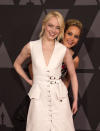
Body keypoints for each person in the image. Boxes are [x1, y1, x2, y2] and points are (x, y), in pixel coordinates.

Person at [14, 11, 78, 131]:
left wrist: (75, 100)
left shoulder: (63, 50)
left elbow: (73, 76)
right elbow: (17, 64)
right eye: (50, 25)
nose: (53, 30)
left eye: (57, 28)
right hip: (39, 99)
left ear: (60, 30)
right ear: (44, 25)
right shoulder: (31, 46)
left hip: (60, 99)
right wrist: (29, 80)